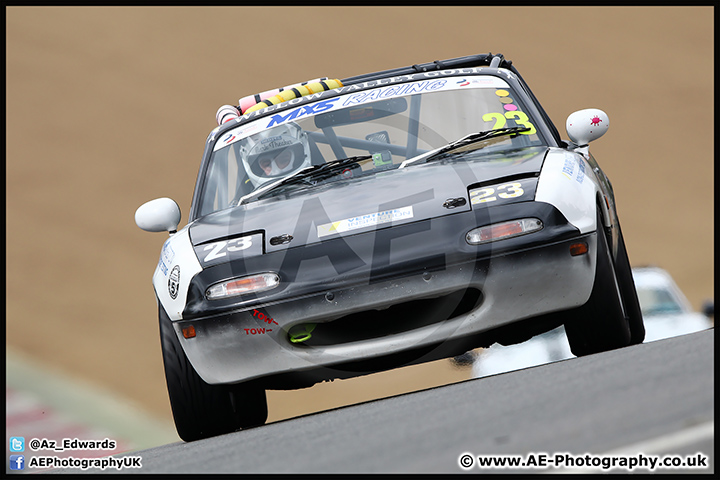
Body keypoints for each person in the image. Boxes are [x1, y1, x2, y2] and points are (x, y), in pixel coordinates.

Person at [240, 123, 312, 188]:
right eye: (267, 164)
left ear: (297, 157)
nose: (277, 171)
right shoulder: (245, 201)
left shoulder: (322, 182)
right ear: (257, 167)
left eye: (283, 160)